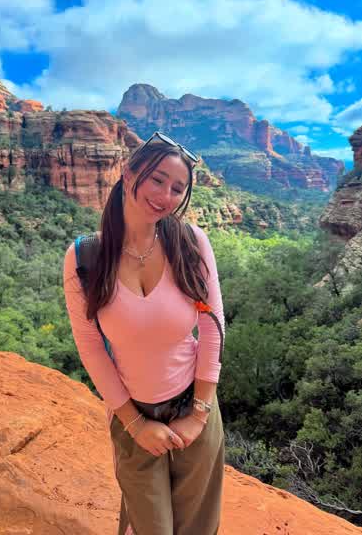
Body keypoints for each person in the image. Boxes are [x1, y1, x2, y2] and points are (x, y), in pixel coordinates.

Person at [63, 131, 225, 535]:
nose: (165, 196)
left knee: (198, 527)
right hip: (132, 412)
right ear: (129, 172)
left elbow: (212, 327)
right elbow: (90, 347)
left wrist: (198, 415)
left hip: (194, 403)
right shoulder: (85, 256)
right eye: (158, 179)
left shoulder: (190, 243)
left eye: (177, 189)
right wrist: (135, 424)